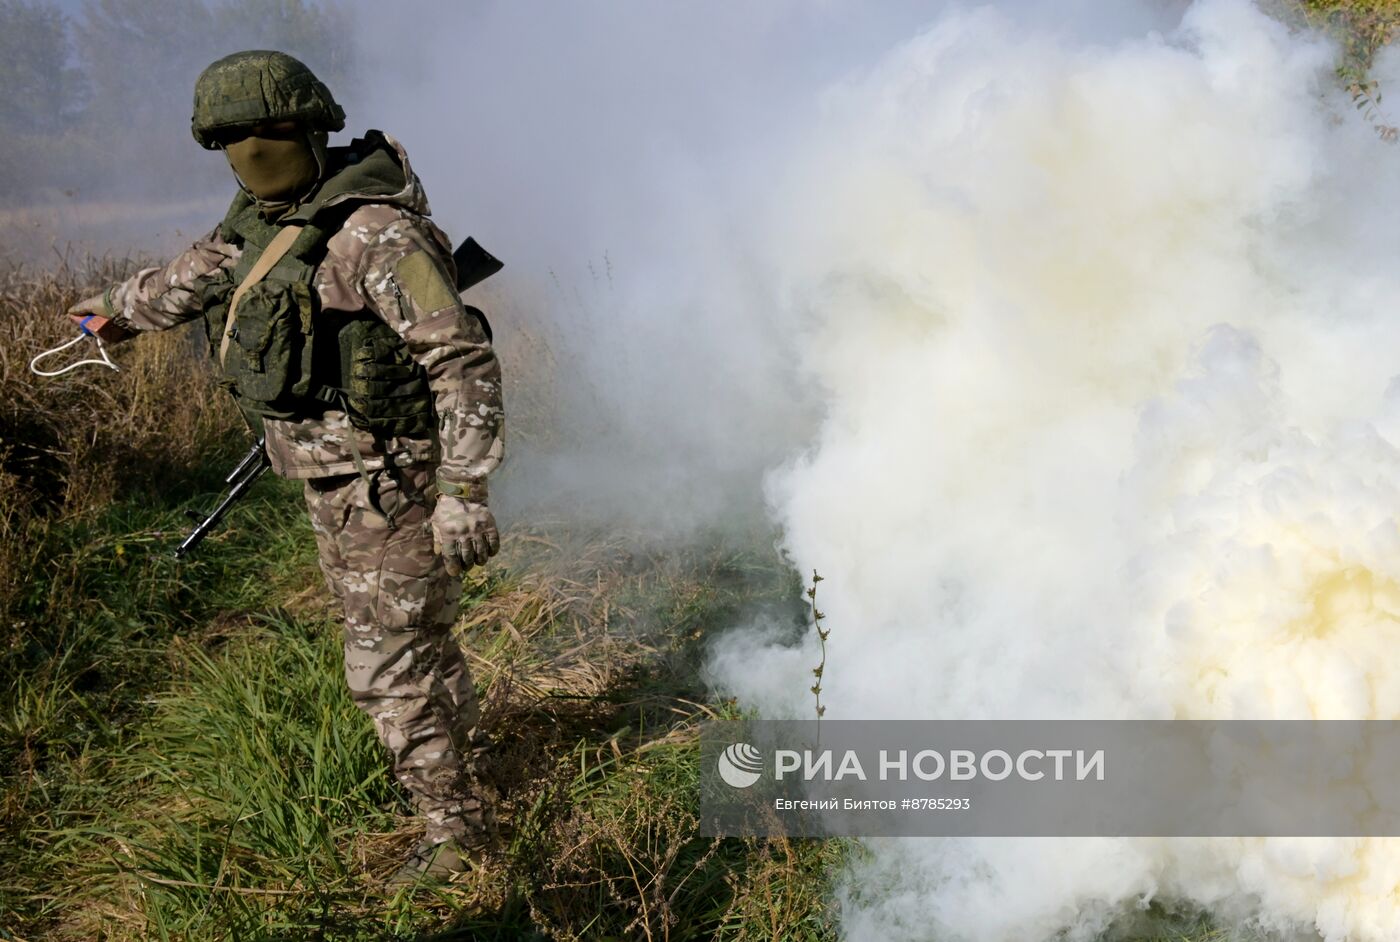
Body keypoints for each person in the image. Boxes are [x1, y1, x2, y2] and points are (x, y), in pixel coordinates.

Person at [65, 49, 505, 884]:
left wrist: (463, 491)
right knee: (415, 652)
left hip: (394, 483)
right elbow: (187, 281)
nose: (250, 151)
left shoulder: (379, 233)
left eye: (266, 133)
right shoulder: (264, 221)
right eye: (232, 138)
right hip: (334, 484)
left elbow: (461, 360)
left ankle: (457, 841)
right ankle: (461, 798)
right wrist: (110, 316)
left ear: (309, 129)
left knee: (389, 667)